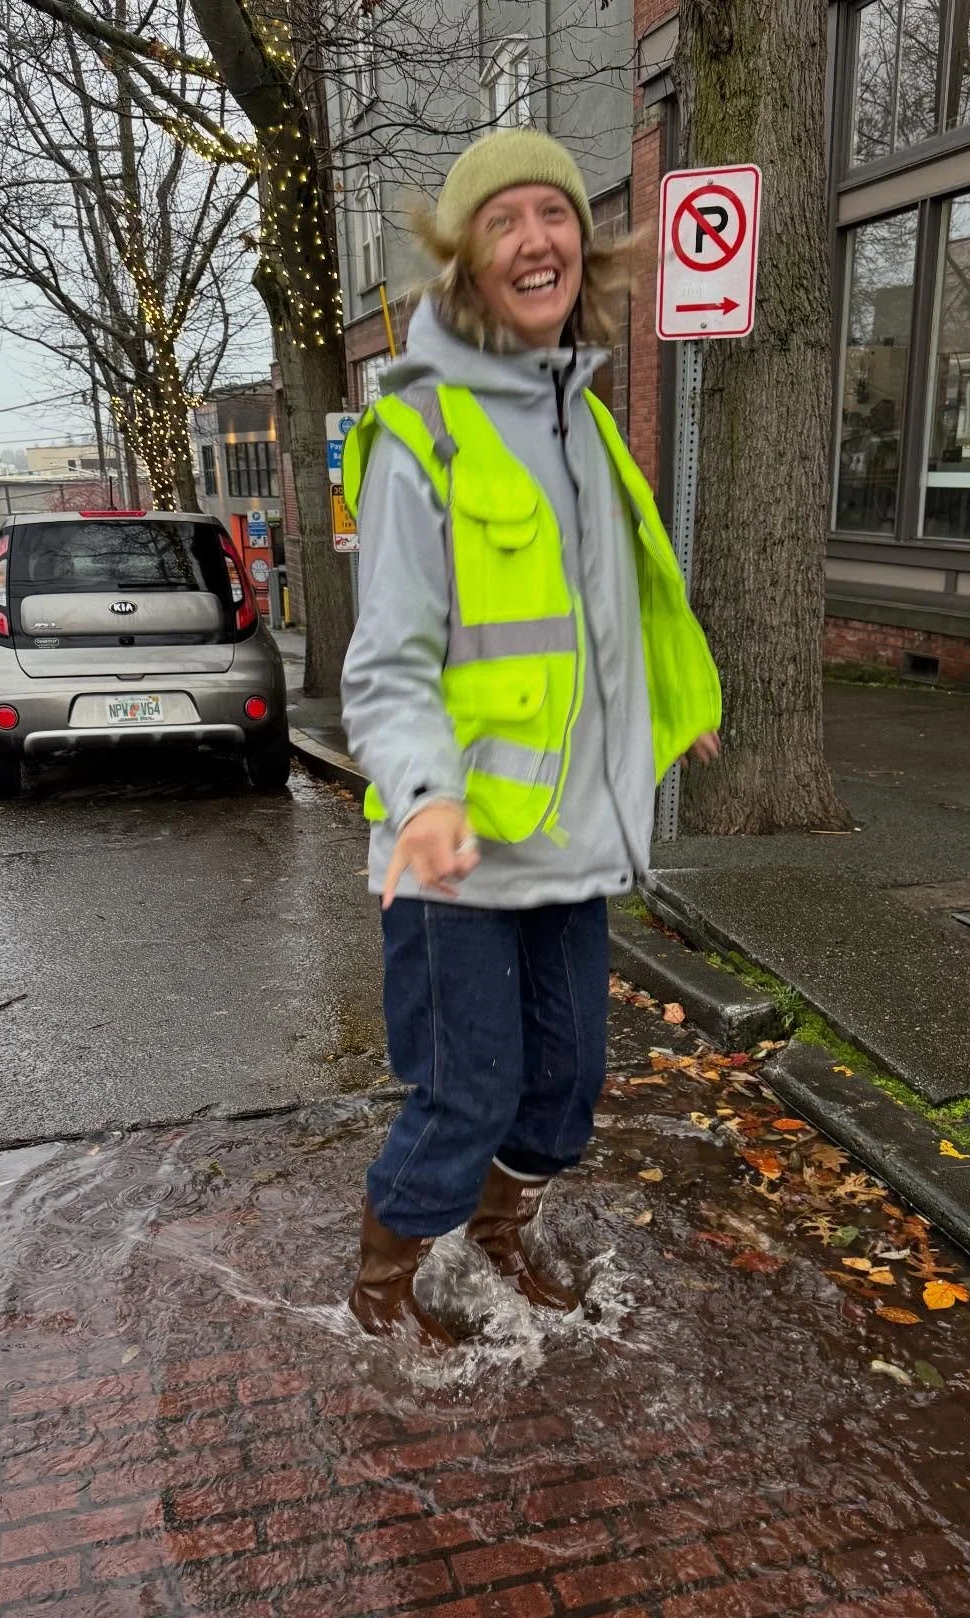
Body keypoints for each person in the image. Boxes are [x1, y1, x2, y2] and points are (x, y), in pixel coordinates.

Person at [340, 128, 722, 1347]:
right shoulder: (423, 436)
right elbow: (388, 661)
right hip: (452, 851)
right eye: (501, 221)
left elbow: (613, 613)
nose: (534, 239)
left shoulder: (585, 424)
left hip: (569, 838)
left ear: (584, 246)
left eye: (552, 214)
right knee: (467, 1094)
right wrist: (425, 797)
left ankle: (498, 1241)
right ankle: (382, 1292)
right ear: (464, 264)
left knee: (564, 1090)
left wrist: (672, 713)